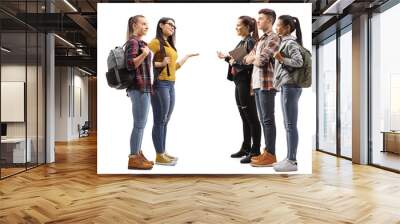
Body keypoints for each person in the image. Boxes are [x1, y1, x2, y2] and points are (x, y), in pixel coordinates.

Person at [148, 17, 199, 166]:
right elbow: (146, 61)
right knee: (159, 120)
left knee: (165, 120)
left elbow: (173, 67)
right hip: (160, 84)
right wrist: (161, 63)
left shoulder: (169, 44)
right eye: (170, 24)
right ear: (161, 25)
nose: (172, 28)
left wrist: (186, 57)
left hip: (171, 84)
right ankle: (159, 155)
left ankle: (163, 152)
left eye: (174, 26)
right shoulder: (155, 42)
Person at [217, 16, 261, 163]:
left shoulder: (250, 42)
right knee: (245, 117)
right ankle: (246, 147)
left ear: (248, 27)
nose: (236, 28)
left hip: (246, 83)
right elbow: (237, 62)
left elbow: (249, 64)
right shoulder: (243, 41)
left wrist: (231, 60)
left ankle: (255, 151)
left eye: (238, 26)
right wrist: (227, 58)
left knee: (252, 118)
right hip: (239, 82)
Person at [244, 8, 281, 165]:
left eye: (261, 18)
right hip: (257, 85)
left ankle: (271, 154)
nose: (257, 21)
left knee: (267, 119)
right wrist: (253, 57)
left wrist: (254, 58)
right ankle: (267, 151)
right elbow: (246, 59)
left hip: (267, 85)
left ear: (270, 20)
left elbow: (262, 60)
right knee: (263, 119)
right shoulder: (260, 40)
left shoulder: (274, 38)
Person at [272, 15, 304, 172]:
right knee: (288, 124)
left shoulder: (290, 43)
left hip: (291, 86)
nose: (276, 28)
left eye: (278, 25)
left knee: (290, 125)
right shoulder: (285, 42)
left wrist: (281, 58)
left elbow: (299, 62)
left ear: (287, 28)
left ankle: (292, 161)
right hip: (287, 86)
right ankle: (289, 158)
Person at [125, 15, 154, 170]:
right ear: (134, 25)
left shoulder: (141, 42)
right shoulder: (133, 42)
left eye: (147, 24)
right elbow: (130, 65)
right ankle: (133, 158)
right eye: (143, 23)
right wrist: (144, 54)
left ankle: (137, 154)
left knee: (141, 124)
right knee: (139, 124)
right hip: (138, 87)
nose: (146, 26)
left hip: (144, 87)